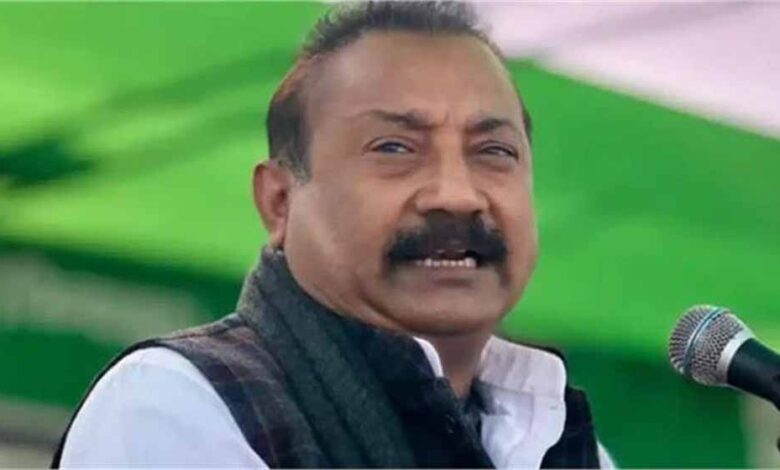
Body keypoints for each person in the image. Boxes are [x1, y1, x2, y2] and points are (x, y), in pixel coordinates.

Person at [53, 1, 614, 468]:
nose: (457, 194)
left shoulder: (560, 442)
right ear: (279, 202)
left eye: (494, 151)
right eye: (394, 147)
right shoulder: (179, 401)